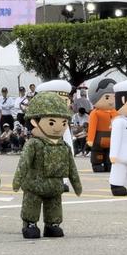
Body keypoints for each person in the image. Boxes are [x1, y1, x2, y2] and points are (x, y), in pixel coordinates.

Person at [13, 92, 82, 239]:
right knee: (32, 205)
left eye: (63, 123)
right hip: (34, 185)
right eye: (52, 122)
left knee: (54, 207)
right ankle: (30, 223)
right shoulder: (34, 144)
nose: (58, 127)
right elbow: (23, 164)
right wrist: (17, 181)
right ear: (34, 122)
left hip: (55, 185)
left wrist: (76, 185)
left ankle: (52, 224)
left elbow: (72, 168)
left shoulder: (64, 145)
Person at [87, 78, 117, 173]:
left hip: (113, 139)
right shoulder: (95, 113)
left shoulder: (117, 113)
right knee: (97, 153)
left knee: (110, 154)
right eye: (107, 97)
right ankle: (97, 164)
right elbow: (92, 127)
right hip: (98, 139)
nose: (111, 101)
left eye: (114, 97)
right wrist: (90, 140)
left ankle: (109, 164)